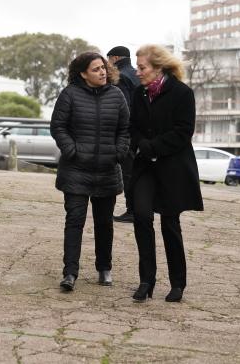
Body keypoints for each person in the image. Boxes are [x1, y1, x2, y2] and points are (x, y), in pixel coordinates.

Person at [129, 44, 203, 303]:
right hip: (145, 167)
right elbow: (133, 127)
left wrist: (153, 147)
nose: (137, 72)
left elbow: (184, 131)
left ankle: (177, 284)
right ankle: (146, 280)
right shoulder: (139, 94)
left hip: (172, 168)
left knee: (170, 224)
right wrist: (142, 145)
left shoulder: (182, 93)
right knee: (141, 216)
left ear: (158, 67)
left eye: (142, 67)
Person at [50, 52, 129, 292]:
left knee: (104, 223)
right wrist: (71, 150)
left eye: (103, 67)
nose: (103, 72)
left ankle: (104, 268)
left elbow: (125, 129)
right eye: (96, 69)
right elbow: (58, 127)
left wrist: (118, 152)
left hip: (107, 170)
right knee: (74, 221)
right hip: (76, 170)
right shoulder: (69, 95)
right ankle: (70, 272)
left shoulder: (117, 95)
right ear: (83, 73)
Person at [107, 45, 139, 224]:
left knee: (127, 173)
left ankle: (132, 210)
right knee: (134, 171)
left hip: (126, 132)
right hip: (138, 131)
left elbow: (123, 106)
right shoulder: (136, 74)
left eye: (109, 59)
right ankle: (138, 208)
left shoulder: (121, 76)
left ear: (116, 58)